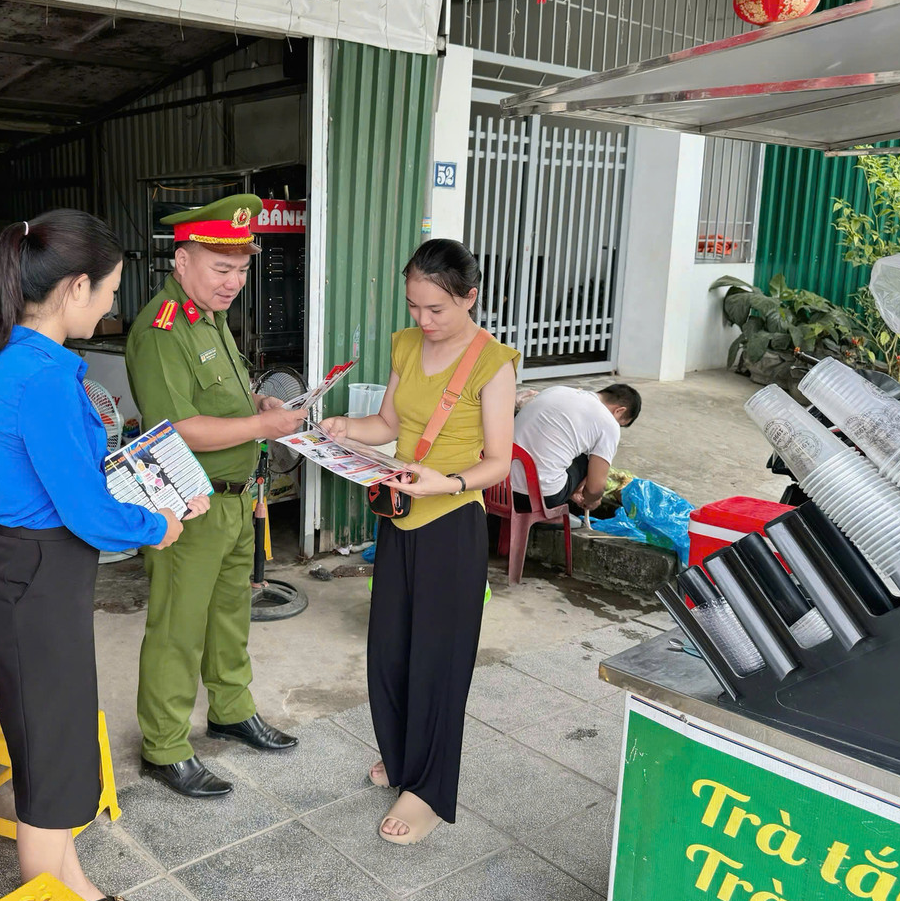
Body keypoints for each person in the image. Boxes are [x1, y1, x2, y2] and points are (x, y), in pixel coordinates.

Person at [0, 209, 209, 901]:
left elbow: (64, 478)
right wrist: (157, 521)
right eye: (107, 291)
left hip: (29, 576)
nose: (111, 305)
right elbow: (86, 511)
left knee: (56, 746)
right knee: (51, 767)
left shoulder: (12, 359)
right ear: (74, 287)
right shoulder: (41, 378)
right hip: (37, 579)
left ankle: (78, 888)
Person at [322, 239, 519, 845]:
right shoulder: (406, 345)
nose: (423, 321)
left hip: (450, 522)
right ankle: (406, 760)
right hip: (399, 514)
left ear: (469, 298)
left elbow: (500, 462)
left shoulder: (495, 363)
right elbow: (389, 425)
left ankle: (429, 790)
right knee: (391, 652)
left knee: (439, 661)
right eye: (414, 306)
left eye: (436, 309)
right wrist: (337, 429)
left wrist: (448, 481)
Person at [126, 194, 307, 799]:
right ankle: (165, 746)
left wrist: (259, 405)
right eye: (221, 268)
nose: (234, 282)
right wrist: (262, 429)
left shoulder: (208, 318)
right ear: (182, 261)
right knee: (178, 625)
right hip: (190, 502)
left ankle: (231, 709)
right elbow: (176, 428)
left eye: (243, 269)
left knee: (231, 616)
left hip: (236, 498)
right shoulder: (162, 331)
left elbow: (221, 401)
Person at [510, 383, 641, 513]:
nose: (617, 426)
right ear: (619, 410)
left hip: (499, 486)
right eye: (620, 423)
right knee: (591, 458)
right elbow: (595, 489)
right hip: (540, 496)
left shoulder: (555, 390)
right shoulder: (609, 424)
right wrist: (591, 500)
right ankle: (570, 495)